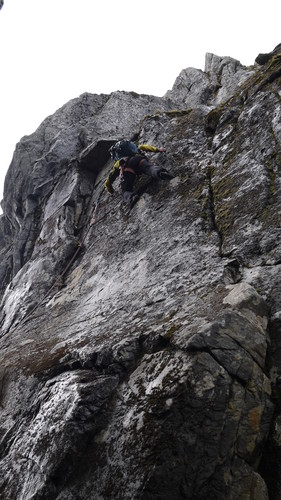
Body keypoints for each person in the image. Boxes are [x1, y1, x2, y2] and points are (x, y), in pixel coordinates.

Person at [104, 141, 172, 206]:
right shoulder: (137, 150)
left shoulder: (119, 162)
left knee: (126, 190)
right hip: (139, 159)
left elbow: (108, 182)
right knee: (150, 168)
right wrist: (159, 150)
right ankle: (160, 172)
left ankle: (132, 197)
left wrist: (111, 191)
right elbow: (146, 147)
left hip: (128, 167)